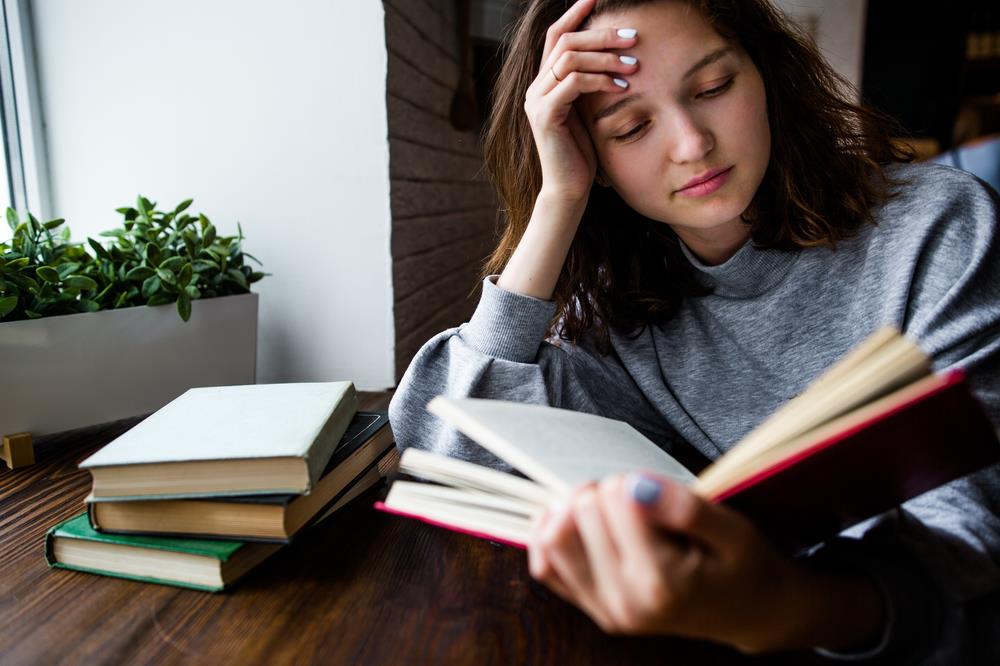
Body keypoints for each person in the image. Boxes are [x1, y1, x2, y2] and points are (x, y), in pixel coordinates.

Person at [388, 0, 1000, 662]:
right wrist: (556, 200)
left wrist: (783, 605)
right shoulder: (616, 314)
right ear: (592, 158)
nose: (691, 144)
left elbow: (973, 557)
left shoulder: (937, 227)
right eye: (628, 129)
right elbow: (446, 456)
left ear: (764, 72)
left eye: (712, 88)